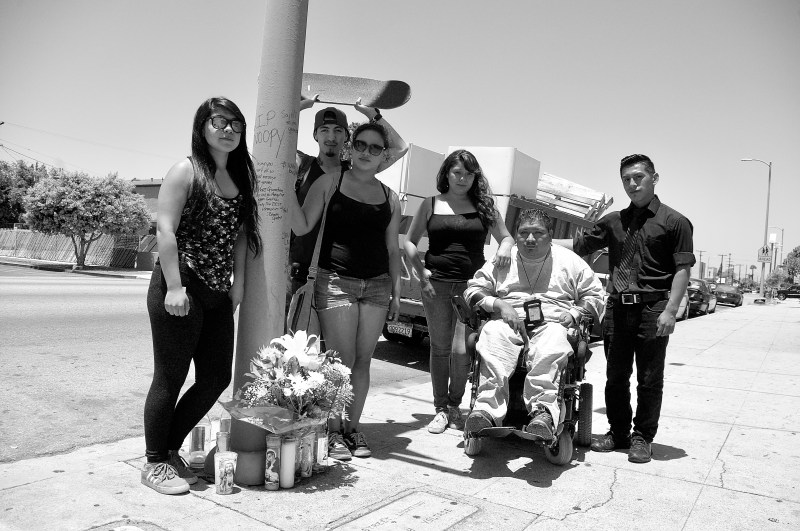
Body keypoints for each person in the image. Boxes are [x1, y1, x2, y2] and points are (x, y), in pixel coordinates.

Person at [142, 97, 261, 495]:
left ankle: (168, 449)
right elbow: (165, 229)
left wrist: (238, 285)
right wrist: (174, 288)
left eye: (235, 124)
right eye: (219, 122)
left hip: (217, 291)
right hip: (181, 286)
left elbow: (242, 235)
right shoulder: (186, 170)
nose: (227, 130)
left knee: (214, 377)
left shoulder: (242, 177)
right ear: (203, 126)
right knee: (170, 378)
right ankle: (156, 462)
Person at [555, 154, 694, 463]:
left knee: (649, 378)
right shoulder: (613, 221)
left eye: (639, 177)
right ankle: (618, 434)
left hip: (653, 309)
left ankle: (642, 437)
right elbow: (579, 246)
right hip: (617, 309)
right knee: (616, 376)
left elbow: (682, 270)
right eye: (626, 179)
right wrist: (534, 240)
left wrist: (671, 310)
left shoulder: (676, 222)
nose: (633, 184)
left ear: (654, 178)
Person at [288, 108, 408, 460]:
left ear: (383, 156)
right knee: (340, 361)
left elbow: (391, 247)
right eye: (361, 145)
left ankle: (354, 430)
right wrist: (279, 184)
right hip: (335, 282)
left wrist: (397, 291)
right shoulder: (331, 181)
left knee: (362, 362)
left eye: (375, 148)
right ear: (350, 148)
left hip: (377, 287)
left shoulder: (389, 197)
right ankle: (335, 430)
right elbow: (301, 225)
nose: (366, 152)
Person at [462, 209, 604, 440]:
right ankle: (486, 410)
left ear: (550, 235)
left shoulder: (570, 261)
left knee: (553, 340)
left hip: (553, 321)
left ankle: (543, 412)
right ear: (516, 235)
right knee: (491, 333)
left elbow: (595, 295)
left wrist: (576, 313)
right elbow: (473, 290)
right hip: (508, 319)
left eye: (537, 233)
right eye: (523, 233)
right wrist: (498, 304)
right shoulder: (502, 259)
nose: (529, 239)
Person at [403, 149, 514, 434]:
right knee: (439, 348)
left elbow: (507, 236)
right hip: (436, 285)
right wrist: (421, 274)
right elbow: (409, 242)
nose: (462, 178)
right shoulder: (430, 204)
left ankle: (455, 405)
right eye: (457, 172)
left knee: (461, 349)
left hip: (471, 287)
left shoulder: (484, 206)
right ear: (446, 175)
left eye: (468, 173)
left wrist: (503, 247)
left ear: (475, 176)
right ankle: (441, 410)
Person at [289, 99, 405, 296]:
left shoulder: (355, 173)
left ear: (347, 137)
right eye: (324, 130)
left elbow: (399, 148)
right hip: (298, 274)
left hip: (337, 279)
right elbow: (275, 147)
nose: (331, 136)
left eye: (338, 130)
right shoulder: (302, 165)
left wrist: (372, 115)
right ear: (315, 134)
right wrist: (296, 108)